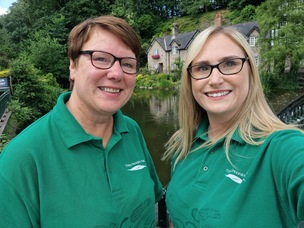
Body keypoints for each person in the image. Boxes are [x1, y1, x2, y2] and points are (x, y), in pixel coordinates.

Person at [0, 15, 163, 227]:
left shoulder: (131, 130)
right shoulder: (21, 159)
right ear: (73, 66)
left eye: (127, 63)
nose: (116, 73)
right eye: (101, 58)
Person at [162, 25, 304, 227]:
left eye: (229, 64)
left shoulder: (281, 148)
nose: (215, 79)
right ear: (190, 80)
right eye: (202, 68)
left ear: (251, 72)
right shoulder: (183, 143)